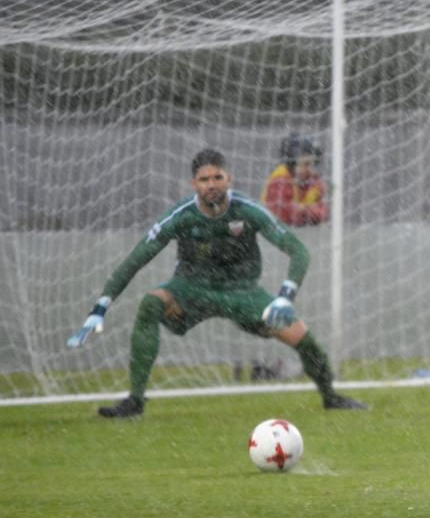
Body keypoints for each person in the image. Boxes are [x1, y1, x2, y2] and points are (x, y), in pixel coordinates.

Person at [67, 148, 366, 418]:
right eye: (204, 179)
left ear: (228, 179)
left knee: (304, 339)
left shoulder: (248, 210)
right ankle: (135, 401)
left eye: (217, 177)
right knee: (151, 303)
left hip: (243, 292)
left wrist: (286, 295)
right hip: (192, 289)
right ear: (193, 184)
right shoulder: (181, 216)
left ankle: (331, 397)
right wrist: (100, 307)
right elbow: (135, 260)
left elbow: (298, 250)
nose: (211, 184)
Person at [260, 133, 330, 226]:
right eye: (306, 164)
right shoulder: (280, 179)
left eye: (314, 164)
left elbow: (324, 213)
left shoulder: (314, 181)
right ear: (291, 164)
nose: (311, 170)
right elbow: (285, 216)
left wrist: (303, 210)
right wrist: (309, 211)